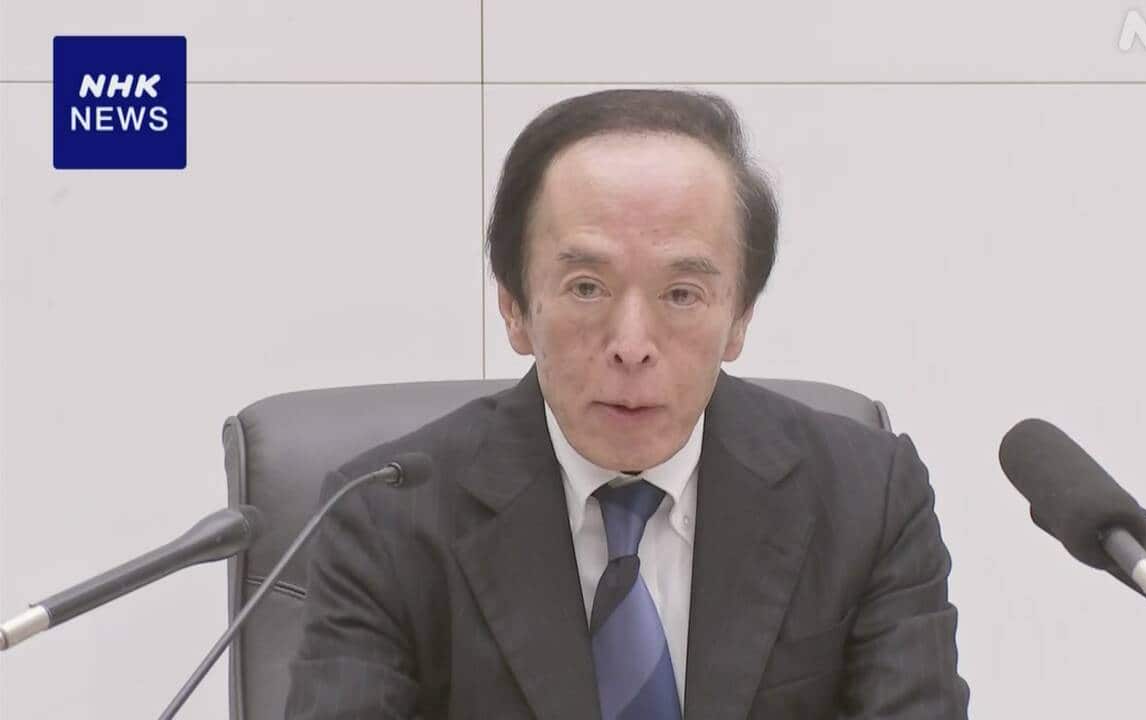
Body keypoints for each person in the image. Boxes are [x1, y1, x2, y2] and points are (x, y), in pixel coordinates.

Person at [285, 88, 969, 719]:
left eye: (681, 294)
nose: (632, 346)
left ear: (739, 319)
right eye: (587, 287)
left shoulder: (866, 501)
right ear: (514, 307)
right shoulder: (384, 519)